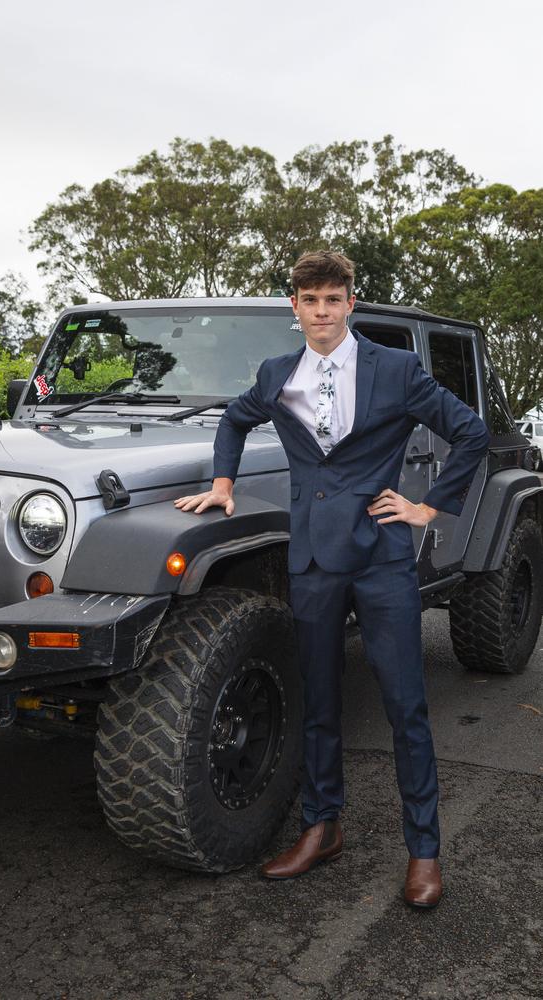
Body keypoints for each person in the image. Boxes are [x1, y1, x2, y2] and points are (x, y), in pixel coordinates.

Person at [174, 251, 490, 908]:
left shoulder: (397, 368)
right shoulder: (276, 373)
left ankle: (424, 851)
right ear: (296, 307)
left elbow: (471, 432)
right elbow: (234, 420)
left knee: (405, 708)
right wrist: (223, 486)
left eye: (332, 299)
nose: (321, 311)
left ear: (351, 303)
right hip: (313, 561)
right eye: (309, 300)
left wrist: (428, 507)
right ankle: (322, 829)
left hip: (381, 559)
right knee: (318, 703)